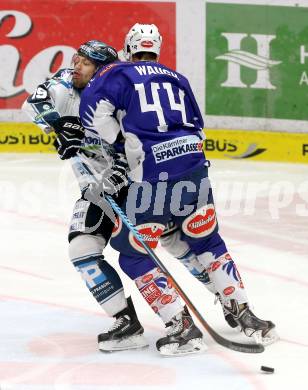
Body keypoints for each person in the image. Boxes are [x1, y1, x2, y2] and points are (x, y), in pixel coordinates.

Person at [79, 23, 278, 355]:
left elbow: (92, 113)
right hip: (195, 172)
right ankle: (246, 315)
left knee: (133, 253)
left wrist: (119, 145)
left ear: (128, 47)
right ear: (158, 50)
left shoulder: (118, 74)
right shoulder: (178, 78)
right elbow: (198, 130)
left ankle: (182, 326)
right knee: (209, 241)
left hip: (154, 180)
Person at [22, 40, 149, 352]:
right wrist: (60, 123)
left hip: (135, 184)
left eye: (86, 62)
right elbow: (33, 103)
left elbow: (135, 145)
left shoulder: (121, 93)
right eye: (77, 59)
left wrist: (120, 169)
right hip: (95, 188)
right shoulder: (66, 82)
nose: (76, 66)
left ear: (101, 70)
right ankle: (126, 320)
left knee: (165, 248)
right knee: (81, 249)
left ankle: (229, 304)